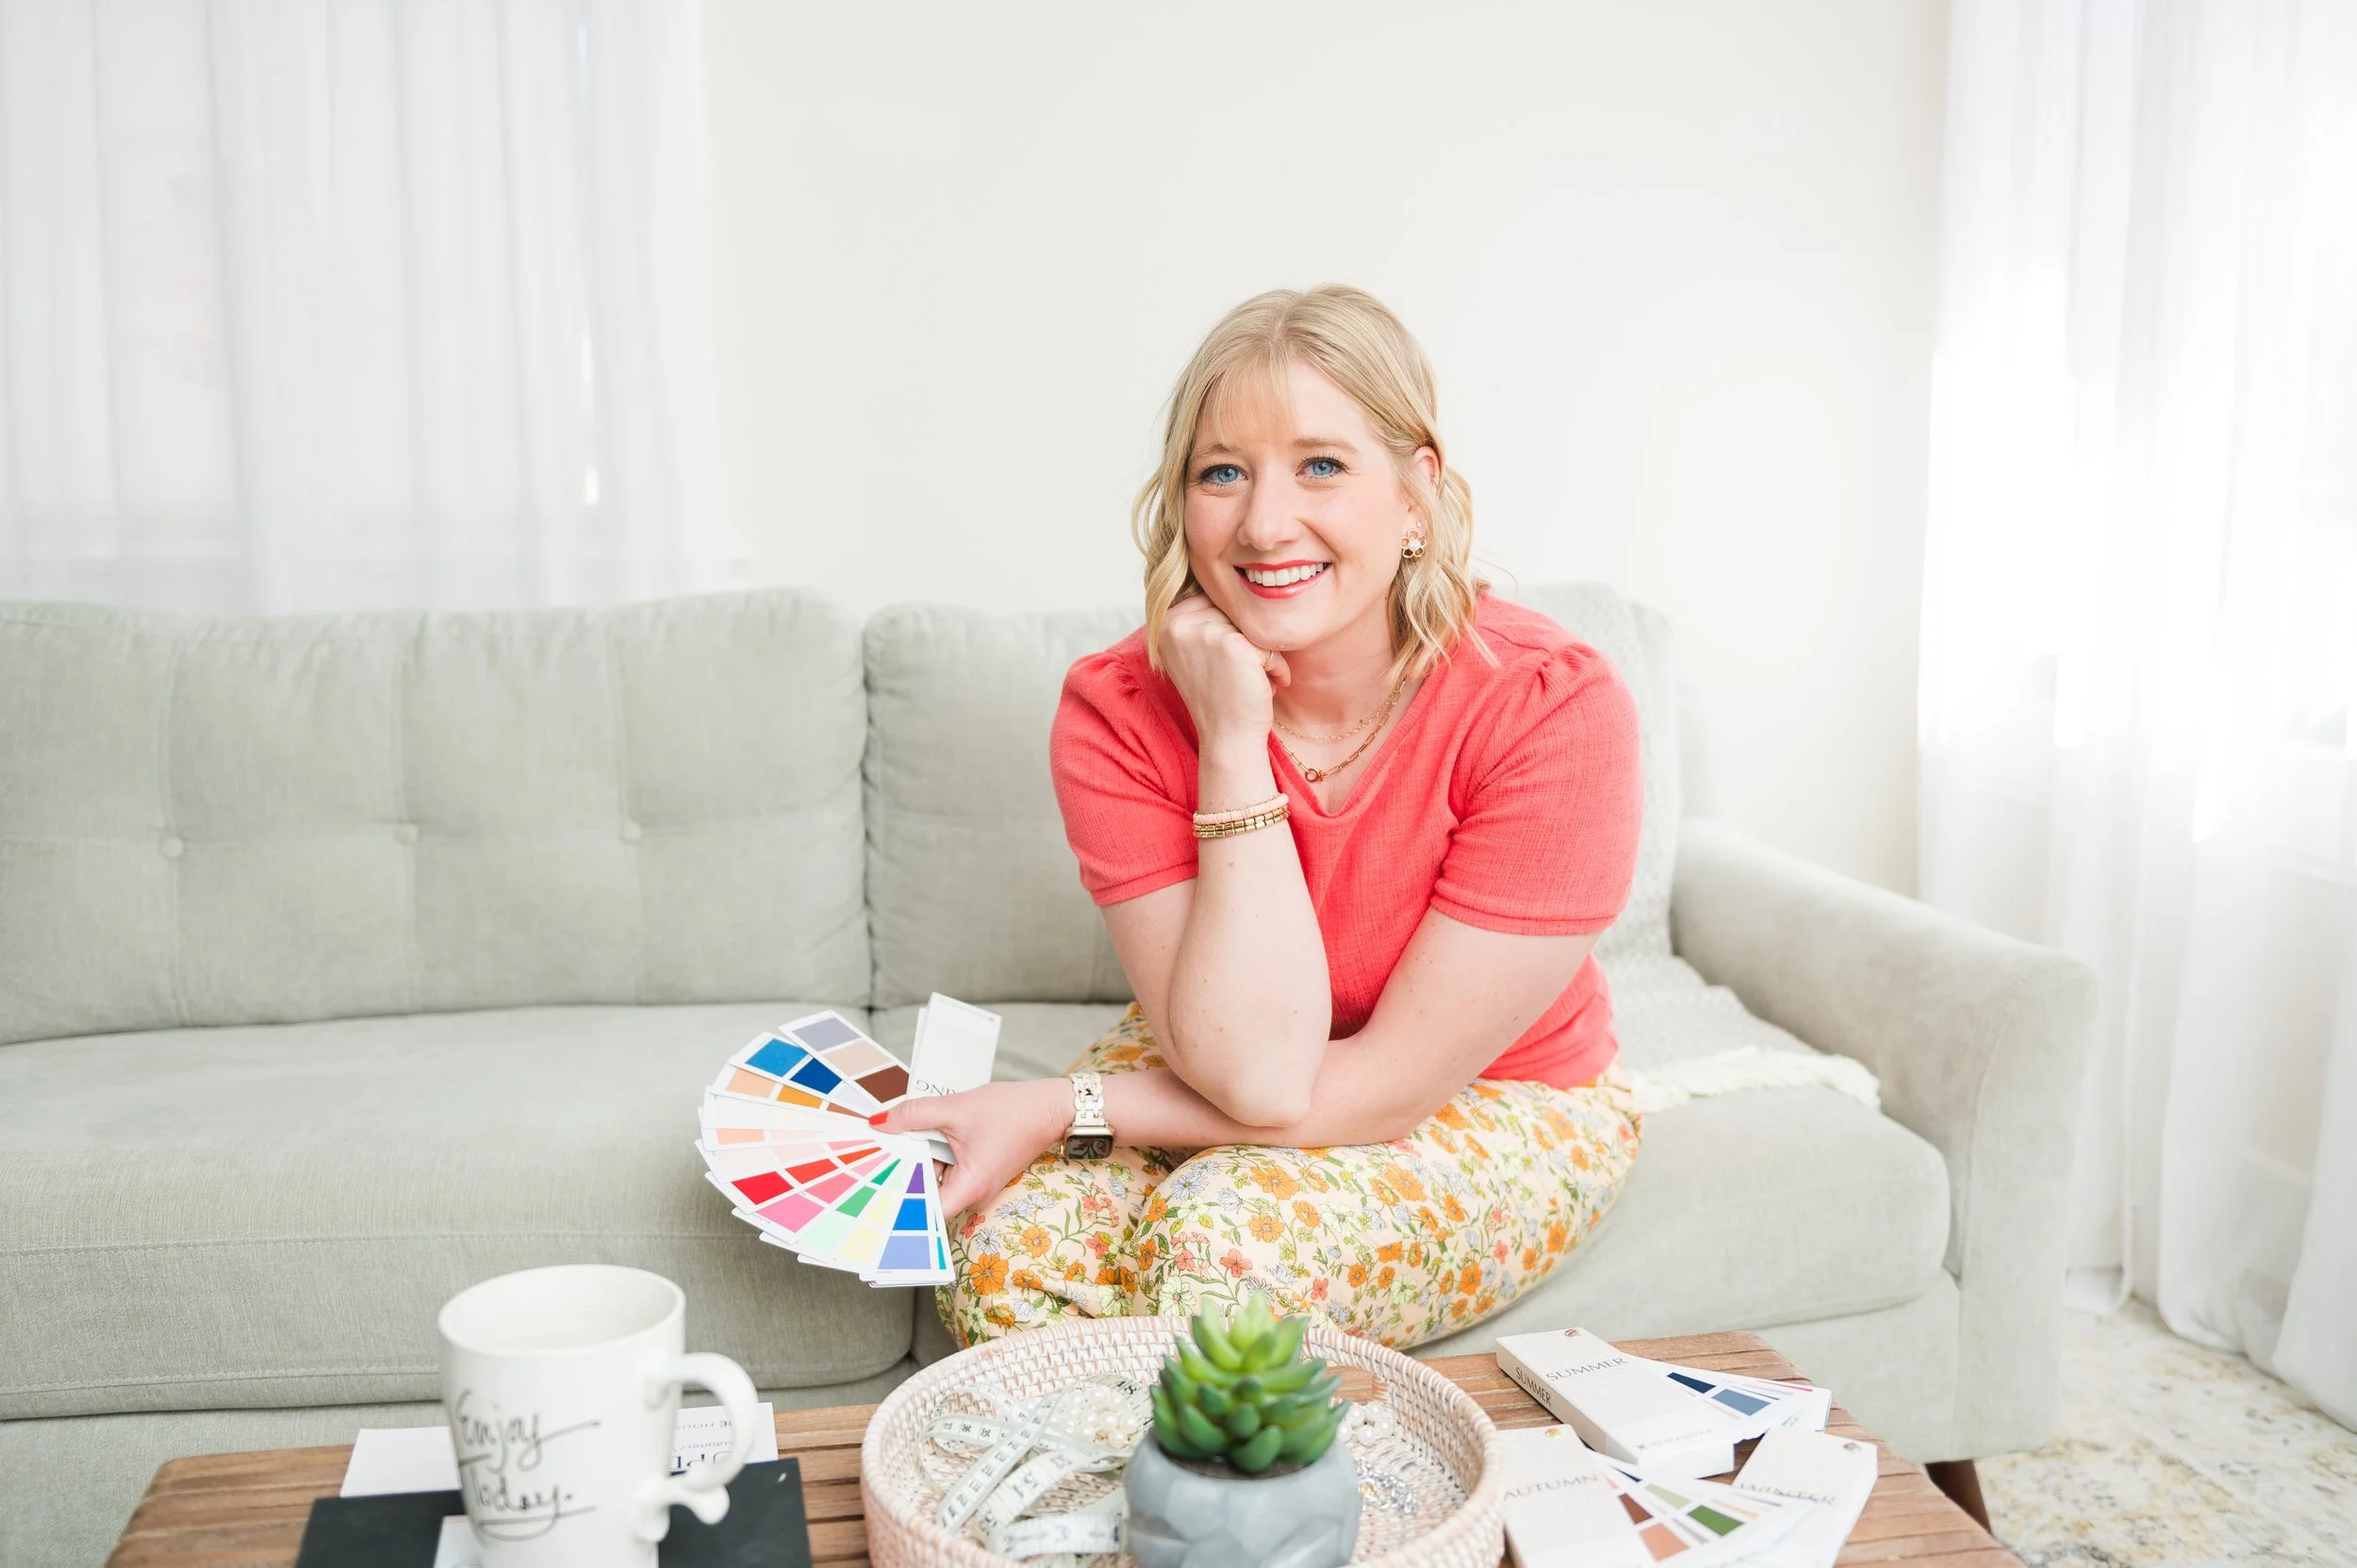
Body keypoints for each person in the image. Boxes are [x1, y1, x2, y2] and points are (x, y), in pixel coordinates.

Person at [871, 284, 1644, 1349]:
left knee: (1220, 1246)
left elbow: (1359, 1090)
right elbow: (1248, 1061)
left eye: (1321, 464)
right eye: (1221, 472)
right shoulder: (1117, 707)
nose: (1264, 522)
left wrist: (1059, 1106)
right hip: (1225, 1044)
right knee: (1004, 1263)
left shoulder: (1550, 706)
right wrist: (1232, 734)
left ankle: (1265, 1513)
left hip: (1493, 1090)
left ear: (1416, 493)